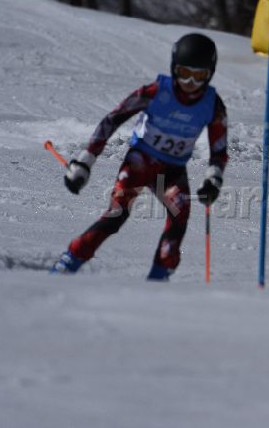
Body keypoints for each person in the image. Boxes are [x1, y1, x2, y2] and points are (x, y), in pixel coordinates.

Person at [51, 33, 228, 281]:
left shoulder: (213, 105)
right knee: (116, 215)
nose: (190, 82)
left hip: (173, 170)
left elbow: (219, 149)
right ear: (174, 68)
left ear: (210, 74)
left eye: (198, 76)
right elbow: (112, 120)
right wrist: (85, 160)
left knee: (180, 217)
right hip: (140, 162)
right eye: (184, 73)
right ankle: (70, 260)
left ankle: (158, 278)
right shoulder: (156, 91)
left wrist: (213, 179)